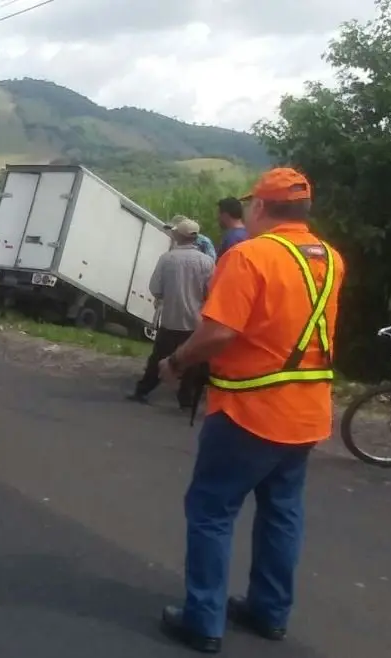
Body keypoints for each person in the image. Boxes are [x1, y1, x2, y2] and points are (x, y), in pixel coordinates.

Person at [155, 168, 344, 653]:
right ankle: (269, 611)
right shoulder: (330, 259)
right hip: (307, 413)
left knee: (212, 511)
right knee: (282, 513)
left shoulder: (250, 256)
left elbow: (219, 332)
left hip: (249, 411)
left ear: (259, 207)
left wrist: (175, 361)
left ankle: (203, 620)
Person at [128, 218, 214, 409]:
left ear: (178, 236)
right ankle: (186, 400)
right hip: (195, 322)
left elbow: (155, 288)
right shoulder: (207, 262)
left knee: (158, 357)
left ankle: (143, 390)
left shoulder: (167, 259)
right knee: (192, 361)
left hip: (170, 319)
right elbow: (211, 293)